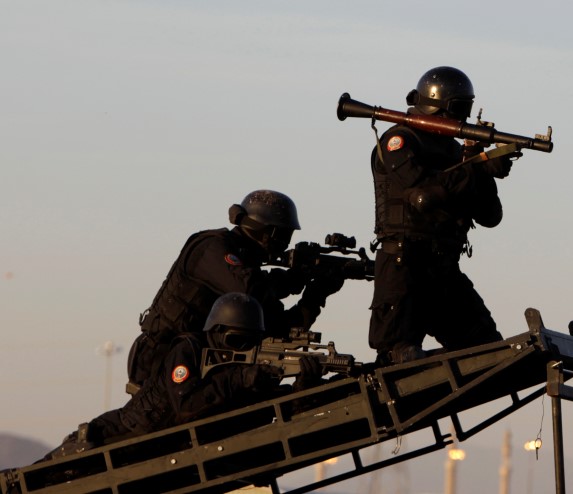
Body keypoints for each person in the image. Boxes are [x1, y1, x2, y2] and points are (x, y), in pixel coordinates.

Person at [43, 293, 323, 460]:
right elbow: (186, 406)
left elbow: (273, 413)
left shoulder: (245, 372)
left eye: (250, 343)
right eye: (237, 340)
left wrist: (302, 388)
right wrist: (239, 379)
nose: (242, 350)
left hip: (164, 450)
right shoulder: (188, 349)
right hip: (120, 435)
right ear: (217, 332)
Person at [369, 66, 520, 364]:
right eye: (459, 108)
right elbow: (422, 197)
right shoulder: (400, 140)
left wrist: (482, 164)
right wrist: (473, 168)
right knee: (401, 359)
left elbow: (491, 216)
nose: (463, 116)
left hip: (444, 268)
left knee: (488, 350)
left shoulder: (454, 151)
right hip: (405, 264)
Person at [127, 190, 344, 390]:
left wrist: (315, 296)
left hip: (198, 366)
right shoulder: (213, 248)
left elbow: (280, 327)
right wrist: (296, 278)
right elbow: (251, 288)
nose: (284, 245)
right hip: (161, 362)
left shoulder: (246, 289)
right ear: (267, 232)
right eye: (283, 236)